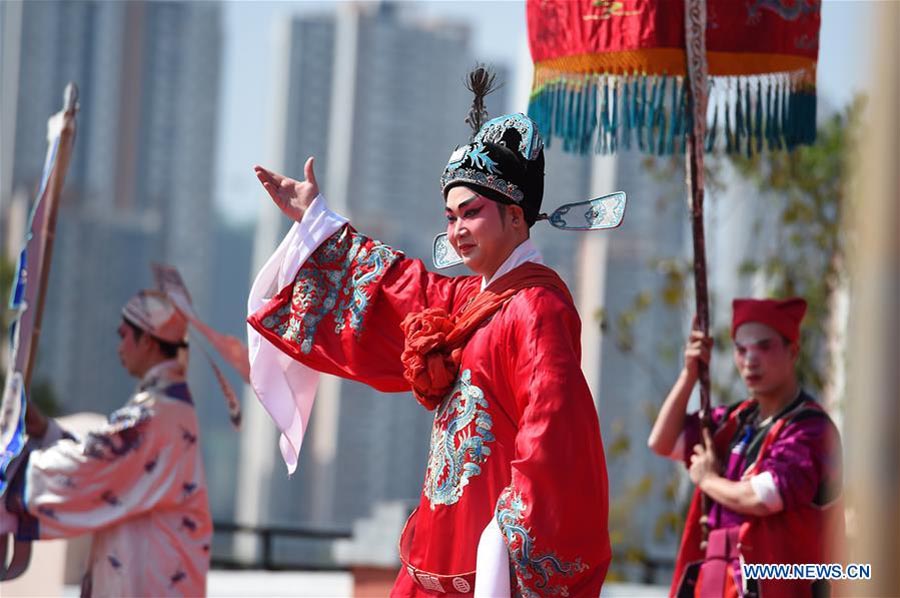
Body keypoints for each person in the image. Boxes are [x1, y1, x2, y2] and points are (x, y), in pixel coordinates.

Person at [246, 71, 611, 596]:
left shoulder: (537, 307)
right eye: (451, 216)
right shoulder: (468, 301)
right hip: (438, 553)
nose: (457, 230)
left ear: (515, 216)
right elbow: (398, 287)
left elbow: (551, 429)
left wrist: (509, 539)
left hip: (493, 558)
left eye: (472, 213)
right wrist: (317, 222)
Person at [3, 290, 212, 596]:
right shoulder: (166, 409)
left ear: (148, 341)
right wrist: (46, 431)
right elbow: (108, 460)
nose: (119, 347)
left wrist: (9, 467)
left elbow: (94, 463)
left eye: (124, 335)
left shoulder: (156, 415)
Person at [648, 298, 844, 598]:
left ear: (792, 351)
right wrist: (689, 375)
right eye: (741, 349)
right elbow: (662, 441)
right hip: (715, 580)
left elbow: (763, 497)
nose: (750, 359)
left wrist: (708, 480)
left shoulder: (810, 428)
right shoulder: (733, 420)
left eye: (764, 347)